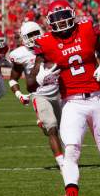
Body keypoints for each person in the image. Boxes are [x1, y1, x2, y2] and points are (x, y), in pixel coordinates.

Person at [27, 0, 100, 196]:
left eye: (64, 17)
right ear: (49, 22)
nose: (61, 23)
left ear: (72, 15)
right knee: (71, 150)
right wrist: (40, 77)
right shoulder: (45, 43)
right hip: (72, 103)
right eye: (56, 19)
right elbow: (31, 83)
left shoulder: (87, 29)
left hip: (97, 99)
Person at [7, 21, 64, 171]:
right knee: (52, 128)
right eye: (29, 36)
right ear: (24, 38)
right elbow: (13, 78)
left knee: (63, 130)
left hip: (60, 92)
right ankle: (62, 164)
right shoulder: (20, 54)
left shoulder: (52, 43)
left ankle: (43, 124)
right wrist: (19, 94)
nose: (33, 38)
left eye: (35, 34)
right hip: (39, 94)